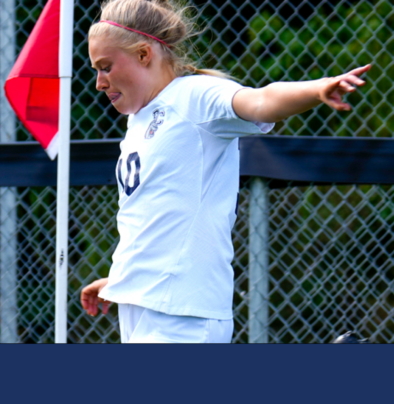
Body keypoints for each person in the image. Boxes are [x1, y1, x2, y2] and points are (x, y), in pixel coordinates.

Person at [78, 0, 370, 343]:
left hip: (182, 311)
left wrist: (316, 89)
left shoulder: (194, 98)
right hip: (142, 305)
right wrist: (123, 278)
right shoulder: (137, 122)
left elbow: (261, 101)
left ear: (144, 55)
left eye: (106, 67)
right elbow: (153, 219)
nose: (99, 82)